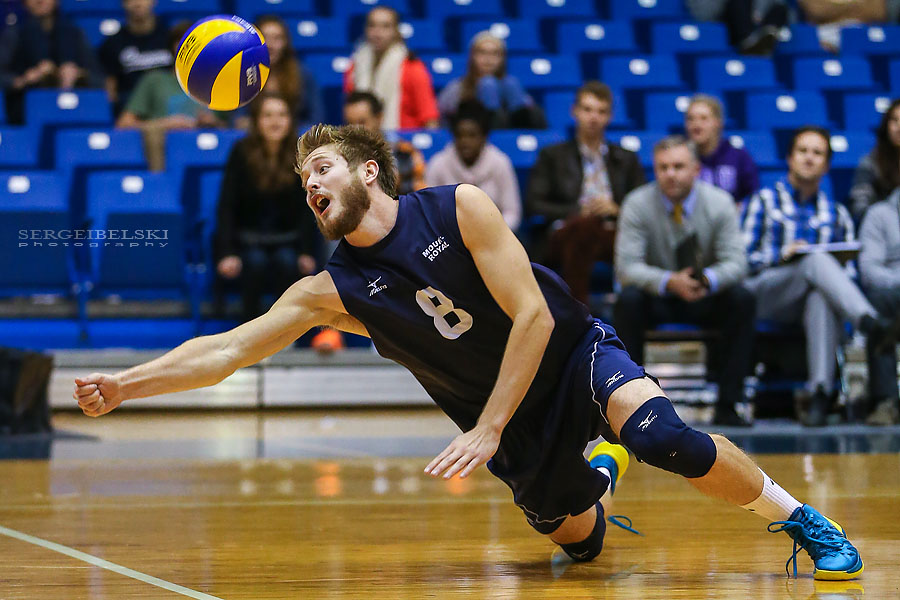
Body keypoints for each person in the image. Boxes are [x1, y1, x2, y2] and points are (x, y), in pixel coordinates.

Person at [76, 123, 863, 582]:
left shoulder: (461, 207)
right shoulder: (331, 290)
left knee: (664, 437)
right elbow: (228, 348)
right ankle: (601, 471)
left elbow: (533, 318)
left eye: (320, 167)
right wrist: (127, 384)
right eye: (300, 179)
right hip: (514, 431)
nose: (308, 184)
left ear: (368, 171)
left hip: (570, 358)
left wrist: (485, 425)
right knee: (581, 544)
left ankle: (803, 520)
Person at [742, 126, 900, 427]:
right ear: (789, 158)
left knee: (821, 297)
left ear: (826, 166)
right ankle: (869, 323)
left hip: (807, 302)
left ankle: (819, 394)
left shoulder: (837, 213)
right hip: (765, 294)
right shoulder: (763, 201)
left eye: (817, 153)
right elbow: (742, 261)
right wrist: (783, 255)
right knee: (815, 260)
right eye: (803, 151)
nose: (809, 158)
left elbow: (848, 274)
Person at [614, 135, 756, 428]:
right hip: (658, 296)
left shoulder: (720, 203)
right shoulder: (637, 204)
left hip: (705, 295)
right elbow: (626, 269)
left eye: (678, 166)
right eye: (663, 167)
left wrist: (707, 280)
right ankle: (630, 404)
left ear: (696, 169)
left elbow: (737, 263)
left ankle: (729, 405)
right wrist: (669, 281)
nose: (670, 174)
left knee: (742, 299)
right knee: (628, 300)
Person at [526, 81, 644, 303]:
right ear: (575, 111)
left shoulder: (626, 159)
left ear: (609, 117)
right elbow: (534, 204)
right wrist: (578, 211)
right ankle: (580, 309)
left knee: (614, 235)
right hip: (566, 230)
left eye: (601, 111)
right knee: (583, 229)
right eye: (588, 110)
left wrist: (616, 209)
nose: (594, 117)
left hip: (612, 231)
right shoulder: (552, 156)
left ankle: (581, 312)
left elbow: (643, 207)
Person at [215, 92, 319, 324]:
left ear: (291, 120)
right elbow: (227, 205)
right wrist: (226, 252)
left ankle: (285, 331)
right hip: (247, 239)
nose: (275, 121)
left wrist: (307, 251)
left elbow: (308, 209)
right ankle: (251, 331)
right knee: (255, 262)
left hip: (288, 240)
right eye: (268, 115)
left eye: (282, 115)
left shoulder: (301, 154)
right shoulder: (241, 151)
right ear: (257, 120)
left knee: (287, 262)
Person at [115, 22, 227, 171]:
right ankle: (159, 181)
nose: (192, 50)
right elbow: (123, 124)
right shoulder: (154, 80)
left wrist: (212, 122)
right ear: (173, 47)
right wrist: (166, 124)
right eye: (185, 44)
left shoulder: (218, 84)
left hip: (206, 151)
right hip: (164, 150)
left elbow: (231, 130)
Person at [0, 0, 104, 124]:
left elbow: (99, 79)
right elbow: (2, 76)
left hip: (75, 111)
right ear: (24, 2)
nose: (40, 1)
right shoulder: (14, 34)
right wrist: (24, 79)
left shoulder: (74, 33)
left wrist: (78, 75)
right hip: (26, 111)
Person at [425, 100, 521, 232]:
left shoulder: (500, 163)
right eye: (460, 135)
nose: (465, 141)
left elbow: (512, 212)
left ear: (484, 137)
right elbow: (428, 213)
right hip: (448, 238)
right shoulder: (438, 164)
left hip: (493, 236)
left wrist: (493, 234)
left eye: (472, 135)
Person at [343, 6, 439, 131]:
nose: (377, 33)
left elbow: (429, 119)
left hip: (403, 139)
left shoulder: (413, 68)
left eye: (385, 26)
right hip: (363, 138)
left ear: (396, 31)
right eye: (372, 25)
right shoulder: (354, 67)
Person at [437, 31, 543, 130]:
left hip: (513, 133)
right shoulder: (457, 87)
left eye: (495, 54)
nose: (488, 59)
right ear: (472, 57)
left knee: (510, 82)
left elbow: (533, 114)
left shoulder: (512, 87)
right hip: (473, 137)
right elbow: (441, 118)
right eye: (482, 53)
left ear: (503, 58)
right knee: (488, 84)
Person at [858, 188, 900, 425]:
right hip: (894, 290)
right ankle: (886, 401)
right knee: (878, 300)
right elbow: (870, 271)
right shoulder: (879, 214)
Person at [343, 90, 426, 196]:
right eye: (350, 123)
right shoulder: (339, 157)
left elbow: (419, 195)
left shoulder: (404, 153)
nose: (355, 130)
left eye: (362, 122)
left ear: (379, 118)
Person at [685, 94, 759, 208]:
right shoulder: (680, 158)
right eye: (691, 119)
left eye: (703, 119)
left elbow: (753, 196)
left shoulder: (738, 156)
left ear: (718, 122)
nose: (696, 125)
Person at [98, 0, 172, 114]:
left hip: (168, 103)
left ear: (153, 1)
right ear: (123, 4)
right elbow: (110, 89)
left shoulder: (169, 37)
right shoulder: (112, 43)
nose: (138, 3)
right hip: (131, 108)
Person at [253, 15, 323, 126]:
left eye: (277, 38)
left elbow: (316, 117)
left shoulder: (303, 74)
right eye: (265, 37)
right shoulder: (245, 74)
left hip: (296, 134)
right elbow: (238, 118)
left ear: (285, 42)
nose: (270, 45)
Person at [850, 98, 900, 222]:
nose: (899, 127)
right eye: (894, 120)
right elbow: (859, 206)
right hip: (882, 227)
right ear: (886, 125)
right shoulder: (870, 162)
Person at [686, 0, 789, 55]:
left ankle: (766, 36)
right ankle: (749, 42)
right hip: (725, 24)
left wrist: (758, 13)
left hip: (755, 21)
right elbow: (703, 14)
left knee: (780, 8)